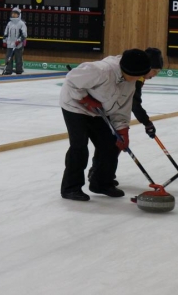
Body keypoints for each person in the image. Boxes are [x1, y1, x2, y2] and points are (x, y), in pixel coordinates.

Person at [59, 49, 151, 201]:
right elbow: (71, 81)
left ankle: (101, 183)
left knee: (110, 144)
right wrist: (84, 99)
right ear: (126, 69)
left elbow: (122, 107)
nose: (138, 78)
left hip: (99, 110)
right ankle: (71, 188)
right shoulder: (101, 70)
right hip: (75, 106)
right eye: (136, 75)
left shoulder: (130, 82)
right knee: (79, 145)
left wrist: (123, 130)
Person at [87, 47, 164, 185]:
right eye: (156, 71)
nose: (154, 75)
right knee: (110, 144)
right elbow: (134, 104)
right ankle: (99, 174)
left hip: (113, 108)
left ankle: (102, 174)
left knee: (111, 144)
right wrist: (147, 123)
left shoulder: (138, 75)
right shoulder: (137, 76)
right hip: (108, 108)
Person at [1, 7, 28, 75]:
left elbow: (24, 34)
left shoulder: (21, 23)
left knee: (18, 59)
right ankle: (8, 71)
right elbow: (6, 33)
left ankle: (19, 71)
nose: (13, 15)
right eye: (13, 13)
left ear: (18, 14)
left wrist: (19, 41)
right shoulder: (9, 23)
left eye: (15, 13)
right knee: (8, 58)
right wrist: (4, 41)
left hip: (18, 45)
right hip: (10, 44)